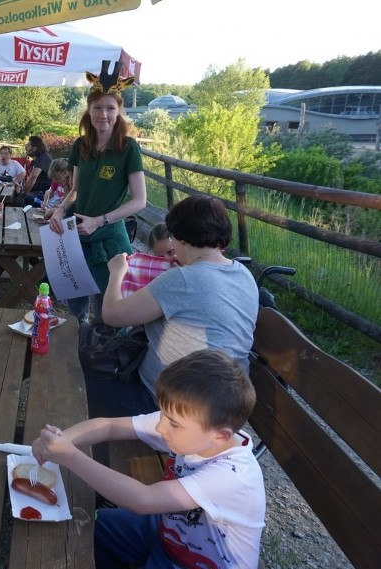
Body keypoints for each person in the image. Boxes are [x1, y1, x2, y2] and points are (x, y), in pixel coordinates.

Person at [32, 349, 265, 569]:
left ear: (220, 435)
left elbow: (143, 501)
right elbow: (109, 425)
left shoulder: (233, 476)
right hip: (171, 534)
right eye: (163, 414)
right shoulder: (193, 426)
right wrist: (59, 441)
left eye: (172, 423)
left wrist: (70, 456)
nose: (161, 427)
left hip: (199, 563)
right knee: (97, 524)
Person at [97, 195, 259, 418]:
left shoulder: (183, 279)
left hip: (167, 409)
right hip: (222, 408)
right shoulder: (243, 274)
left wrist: (116, 272)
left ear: (182, 238)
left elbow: (111, 315)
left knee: (79, 382)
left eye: (173, 238)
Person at [49, 81, 147, 324]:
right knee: (76, 309)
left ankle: (108, 359)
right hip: (77, 236)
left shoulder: (128, 148)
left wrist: (99, 221)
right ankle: (75, 355)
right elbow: (75, 190)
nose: (104, 114)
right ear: (88, 110)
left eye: (110, 108)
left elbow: (140, 201)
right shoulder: (80, 145)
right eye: (97, 107)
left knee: (111, 311)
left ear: (119, 112)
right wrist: (59, 211)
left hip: (111, 238)